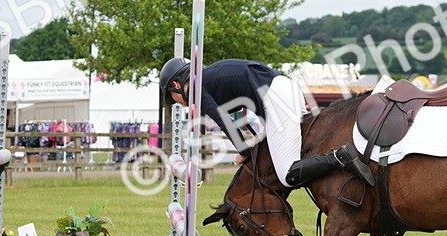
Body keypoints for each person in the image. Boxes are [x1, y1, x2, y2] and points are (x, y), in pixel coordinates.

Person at [159, 57, 374, 188]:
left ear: (177, 84)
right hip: (284, 87)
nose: (179, 104)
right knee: (303, 153)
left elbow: (221, 118)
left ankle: (340, 157)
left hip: (275, 96)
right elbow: (236, 113)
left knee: (288, 174)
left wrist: (243, 149)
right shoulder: (209, 76)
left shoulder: (196, 87)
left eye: (173, 98)